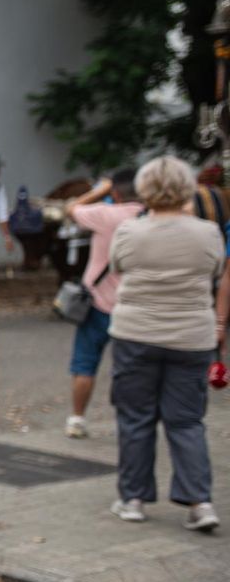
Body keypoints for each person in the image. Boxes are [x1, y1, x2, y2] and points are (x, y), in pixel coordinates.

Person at [106, 155, 221, 532]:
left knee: (135, 418)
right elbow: (215, 270)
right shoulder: (208, 233)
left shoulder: (129, 231)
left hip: (136, 333)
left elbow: (118, 267)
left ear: (146, 189)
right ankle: (199, 502)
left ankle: (134, 498)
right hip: (192, 336)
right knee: (187, 420)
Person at [61, 169, 142, 439]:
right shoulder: (149, 217)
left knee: (84, 364)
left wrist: (100, 190)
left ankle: (77, 419)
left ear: (115, 193)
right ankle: (128, 421)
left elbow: (71, 208)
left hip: (96, 303)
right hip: (133, 306)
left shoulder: (104, 215)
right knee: (128, 369)